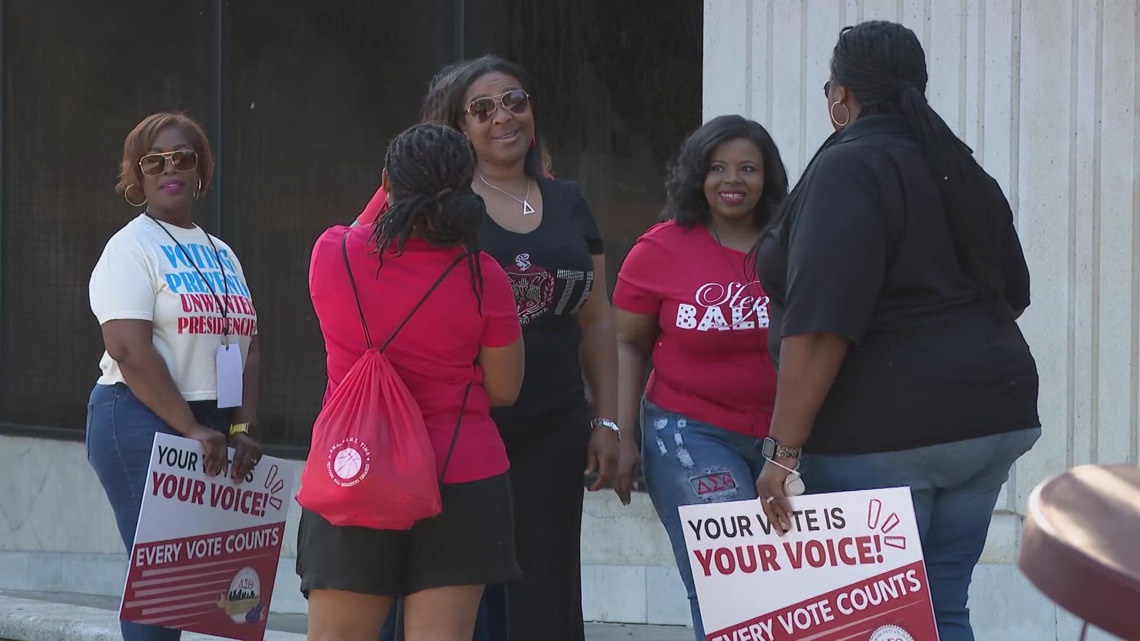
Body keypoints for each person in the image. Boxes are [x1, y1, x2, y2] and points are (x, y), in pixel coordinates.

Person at [752, 21, 1040, 641]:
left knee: (868, 620)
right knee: (938, 607)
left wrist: (782, 450)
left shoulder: (849, 168)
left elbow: (821, 325)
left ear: (841, 95)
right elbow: (1014, 294)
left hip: (881, 432)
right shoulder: (960, 167)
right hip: (992, 417)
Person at [298, 122, 525, 641]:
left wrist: (393, 189)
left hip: (355, 468)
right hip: (461, 474)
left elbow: (365, 227)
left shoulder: (333, 255)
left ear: (385, 183)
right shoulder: (481, 275)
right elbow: (505, 388)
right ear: (467, 190)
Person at [423, 55, 621, 641]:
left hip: (556, 423)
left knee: (547, 579)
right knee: (473, 583)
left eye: (515, 101)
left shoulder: (568, 202)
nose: (502, 118)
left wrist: (608, 419)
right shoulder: (444, 207)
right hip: (469, 423)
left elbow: (598, 319)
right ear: (459, 127)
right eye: (481, 109)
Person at [87, 112, 262, 641]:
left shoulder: (220, 251)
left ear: (200, 169)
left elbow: (246, 347)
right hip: (138, 417)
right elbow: (129, 349)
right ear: (136, 176)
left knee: (193, 584)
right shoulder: (130, 247)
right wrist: (188, 426)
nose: (171, 168)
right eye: (153, 160)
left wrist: (240, 427)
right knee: (163, 578)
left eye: (183, 156)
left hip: (207, 422)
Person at [612, 115, 788, 640]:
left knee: (798, 581)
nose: (732, 180)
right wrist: (623, 435)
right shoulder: (660, 248)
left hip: (791, 436)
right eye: (718, 168)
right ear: (697, 176)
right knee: (728, 581)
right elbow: (627, 341)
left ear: (768, 177)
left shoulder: (794, 243)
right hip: (689, 430)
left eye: (747, 168)